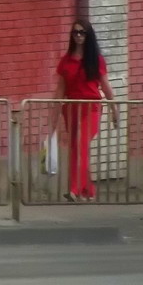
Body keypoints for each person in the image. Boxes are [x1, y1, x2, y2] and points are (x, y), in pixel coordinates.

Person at [51, 20, 119, 201]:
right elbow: (59, 91)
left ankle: (74, 189)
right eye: (75, 33)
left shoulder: (96, 60)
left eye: (82, 33)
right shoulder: (66, 61)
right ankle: (88, 189)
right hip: (72, 109)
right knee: (76, 148)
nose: (79, 36)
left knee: (81, 142)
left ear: (89, 36)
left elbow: (105, 86)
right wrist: (52, 123)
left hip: (91, 108)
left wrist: (115, 110)